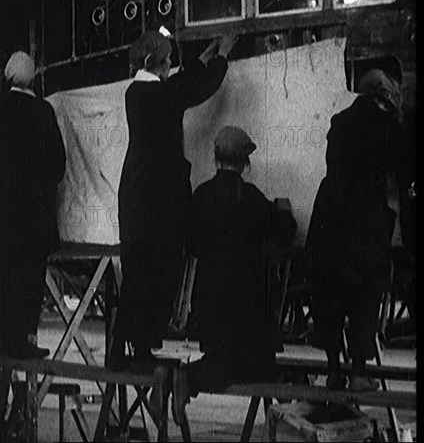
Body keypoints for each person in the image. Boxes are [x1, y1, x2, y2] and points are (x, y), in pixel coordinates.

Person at [107, 30, 238, 370]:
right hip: (156, 204)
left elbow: (179, 84)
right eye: (167, 62)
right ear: (156, 64)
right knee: (155, 277)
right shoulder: (154, 94)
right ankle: (137, 353)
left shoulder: (141, 91)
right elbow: (193, 89)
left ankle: (126, 350)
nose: (170, 67)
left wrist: (203, 58)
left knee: (138, 279)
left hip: (139, 200)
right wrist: (222, 57)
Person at [164, 126, 296, 424]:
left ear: (216, 158)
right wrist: (284, 211)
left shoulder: (202, 195)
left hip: (210, 309)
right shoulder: (251, 198)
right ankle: (184, 378)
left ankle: (182, 378)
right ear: (245, 162)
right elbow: (284, 233)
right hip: (247, 311)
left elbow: (191, 241)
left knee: (227, 363)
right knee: (251, 368)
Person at [305, 68, 409, 391]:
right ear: (384, 97)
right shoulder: (389, 125)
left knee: (330, 291)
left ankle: (334, 368)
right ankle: (360, 373)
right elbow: (402, 173)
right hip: (365, 214)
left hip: (330, 208)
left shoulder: (339, 121)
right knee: (365, 292)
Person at [0, 51, 66, 360]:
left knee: (7, 278)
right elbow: (58, 165)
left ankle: (7, 337)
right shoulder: (43, 111)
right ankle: (23, 340)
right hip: (34, 213)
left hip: (3, 213)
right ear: (34, 77)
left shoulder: (1, 109)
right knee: (30, 279)